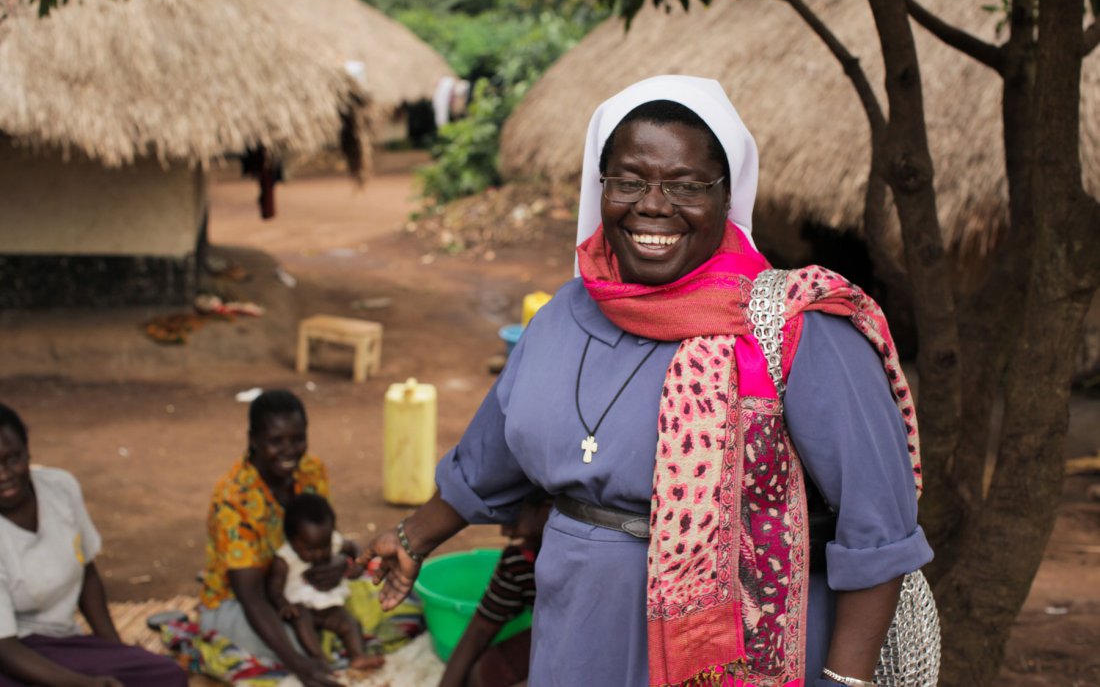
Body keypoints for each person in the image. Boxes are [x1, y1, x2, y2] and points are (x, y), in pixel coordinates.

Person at [364, 75, 932, 687]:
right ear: (601, 187)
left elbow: (879, 529)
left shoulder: (795, 328)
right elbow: (492, 457)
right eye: (630, 181)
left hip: (744, 654)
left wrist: (845, 681)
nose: (654, 205)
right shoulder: (562, 318)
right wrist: (411, 537)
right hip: (577, 635)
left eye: (686, 185)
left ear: (726, 195)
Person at [0, 403, 188, 687]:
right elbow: (5, 647)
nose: (4, 474)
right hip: (12, 653)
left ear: (28, 452)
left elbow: (87, 572)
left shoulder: (60, 488)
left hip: (63, 644)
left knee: (166, 675)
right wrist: (83, 684)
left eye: (12, 458)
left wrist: (116, 649)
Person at [199, 389, 347, 687]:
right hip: (238, 603)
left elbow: (326, 538)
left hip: (298, 588)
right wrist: (299, 665)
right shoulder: (233, 498)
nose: (289, 451)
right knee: (301, 642)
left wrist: (338, 563)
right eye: (276, 441)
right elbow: (251, 596)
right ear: (253, 439)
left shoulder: (311, 470)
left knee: (375, 601)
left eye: (298, 439)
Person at [438, 492, 551, 687]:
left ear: (547, 509)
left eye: (511, 517)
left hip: (594, 654)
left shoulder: (583, 568)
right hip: (550, 641)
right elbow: (478, 632)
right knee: (481, 675)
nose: (504, 532)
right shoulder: (520, 561)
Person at [265, 493, 383, 671]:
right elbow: (274, 589)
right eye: (310, 549)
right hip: (302, 609)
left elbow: (354, 548)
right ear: (292, 540)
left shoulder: (334, 540)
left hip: (330, 607)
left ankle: (358, 656)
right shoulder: (284, 559)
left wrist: (359, 565)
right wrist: (283, 605)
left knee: (350, 623)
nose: (319, 554)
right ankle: (320, 660)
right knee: (302, 623)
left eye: (324, 546)